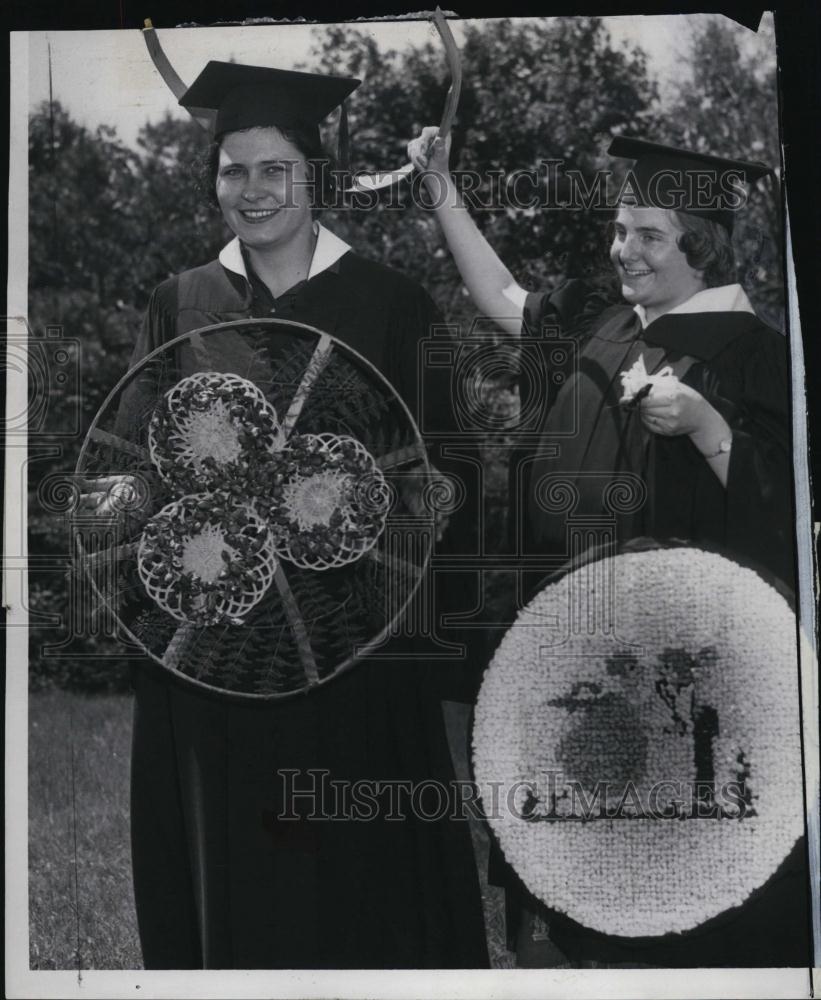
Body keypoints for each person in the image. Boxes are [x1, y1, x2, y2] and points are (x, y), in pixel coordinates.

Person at [82, 63, 489, 970]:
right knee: (229, 884)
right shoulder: (180, 302)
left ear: (317, 180)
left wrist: (378, 523)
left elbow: (449, 459)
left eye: (274, 169)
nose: (252, 192)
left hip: (351, 649)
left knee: (356, 892)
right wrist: (122, 512)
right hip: (213, 653)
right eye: (233, 171)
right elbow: (134, 450)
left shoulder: (389, 303)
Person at [407, 128, 810, 967]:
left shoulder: (759, 358)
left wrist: (707, 427)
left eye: (648, 235)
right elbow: (499, 293)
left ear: (700, 248)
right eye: (621, 229)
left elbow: (789, 513)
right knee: (562, 888)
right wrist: (440, 184)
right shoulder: (600, 330)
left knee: (667, 897)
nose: (622, 249)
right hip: (561, 656)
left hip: (688, 683)